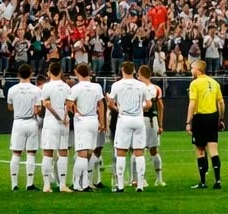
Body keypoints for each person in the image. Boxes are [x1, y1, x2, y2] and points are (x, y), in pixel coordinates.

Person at [107, 60, 152, 193]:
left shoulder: (117, 85)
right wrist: (140, 108)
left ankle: (120, 185)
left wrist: (118, 109)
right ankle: (140, 185)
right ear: (133, 71)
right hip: (138, 120)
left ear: (122, 70)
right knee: (139, 152)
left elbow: (110, 103)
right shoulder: (141, 85)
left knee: (121, 152)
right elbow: (149, 104)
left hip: (124, 120)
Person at [69, 62, 108, 192]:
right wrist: (102, 121)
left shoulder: (76, 88)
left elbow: (69, 104)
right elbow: (101, 104)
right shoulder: (96, 87)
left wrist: (75, 111)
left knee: (81, 153)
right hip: (93, 120)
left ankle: (77, 184)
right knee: (89, 153)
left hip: (82, 121)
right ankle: (85, 183)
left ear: (77, 73)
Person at [186, 58, 224, 189]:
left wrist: (188, 121)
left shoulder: (195, 84)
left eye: (192, 68)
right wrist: (221, 119)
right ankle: (218, 181)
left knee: (200, 150)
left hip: (200, 118)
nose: (191, 70)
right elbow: (221, 102)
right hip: (213, 117)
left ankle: (202, 182)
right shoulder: (214, 83)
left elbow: (192, 103)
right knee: (213, 149)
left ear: (198, 70)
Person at [6, 64, 42, 192]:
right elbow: (38, 109)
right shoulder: (37, 90)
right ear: (31, 74)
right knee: (31, 153)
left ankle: (14, 184)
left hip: (18, 122)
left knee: (16, 153)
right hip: (31, 122)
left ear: (18, 74)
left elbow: (9, 107)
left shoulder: (12, 89)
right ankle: (29, 184)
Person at [40, 62, 74, 193]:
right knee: (63, 152)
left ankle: (47, 185)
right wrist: (64, 117)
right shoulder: (66, 87)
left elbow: (47, 104)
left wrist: (59, 118)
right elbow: (69, 105)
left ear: (49, 72)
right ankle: (63, 185)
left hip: (51, 122)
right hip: (64, 123)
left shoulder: (46, 86)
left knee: (48, 153)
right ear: (61, 71)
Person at [138, 65, 166, 187]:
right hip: (153, 120)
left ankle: (141, 179)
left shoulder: (139, 88)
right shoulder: (156, 88)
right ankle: (159, 179)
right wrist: (160, 125)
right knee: (154, 150)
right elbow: (161, 107)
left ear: (141, 74)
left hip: (142, 119)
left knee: (140, 150)